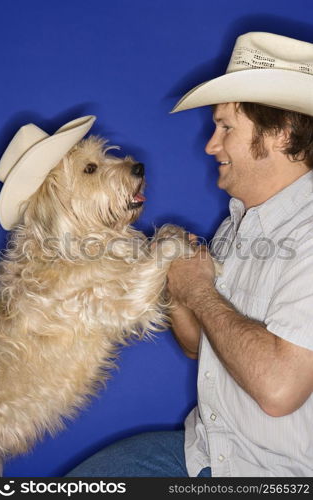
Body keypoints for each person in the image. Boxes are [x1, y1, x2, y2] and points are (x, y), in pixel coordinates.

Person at [66, 31, 313, 477]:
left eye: (226, 128)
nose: (210, 145)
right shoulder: (239, 224)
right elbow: (205, 350)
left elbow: (278, 389)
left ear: (280, 134)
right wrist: (175, 287)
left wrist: (198, 291)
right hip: (208, 451)